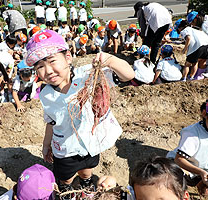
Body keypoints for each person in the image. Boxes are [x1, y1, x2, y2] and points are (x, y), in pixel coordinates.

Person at [25, 30, 134, 198]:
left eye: (52, 61)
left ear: (68, 57)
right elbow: (51, 122)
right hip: (64, 148)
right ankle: (67, 189)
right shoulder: (45, 94)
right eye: (40, 66)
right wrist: (46, 144)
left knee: (87, 168)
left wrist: (109, 60)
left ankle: (85, 182)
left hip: (90, 143)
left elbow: (128, 75)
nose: (48, 71)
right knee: (65, 176)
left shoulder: (89, 76)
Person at [167, 92, 208, 195]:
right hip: (188, 168)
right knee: (175, 178)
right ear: (204, 114)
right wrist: (201, 172)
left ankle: (203, 184)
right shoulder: (192, 134)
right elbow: (179, 159)